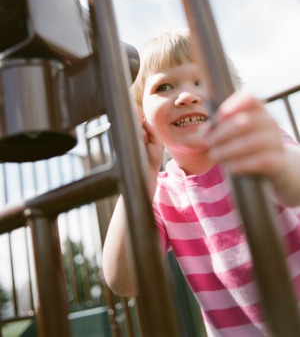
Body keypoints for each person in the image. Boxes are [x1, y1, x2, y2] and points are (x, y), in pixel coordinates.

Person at [102, 29, 300, 336]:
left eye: (202, 81)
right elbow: (126, 280)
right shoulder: (160, 192)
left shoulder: (254, 146)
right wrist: (140, 176)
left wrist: (275, 161)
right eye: (164, 86)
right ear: (141, 116)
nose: (187, 95)